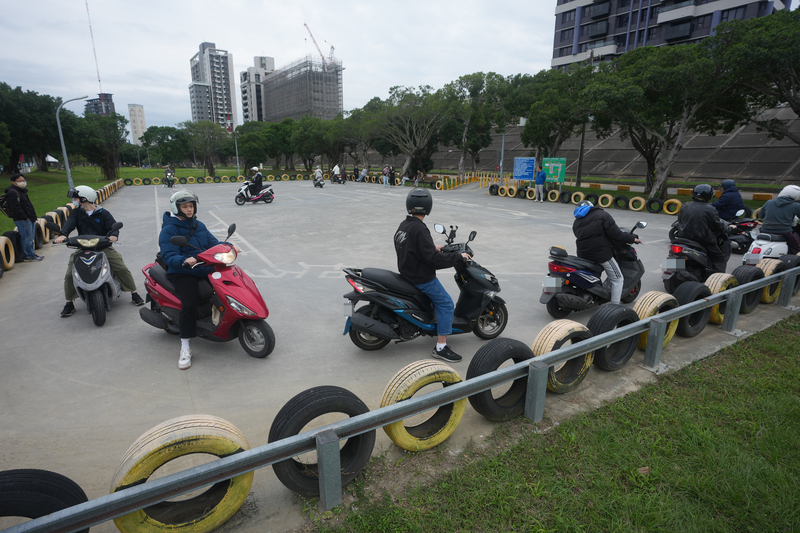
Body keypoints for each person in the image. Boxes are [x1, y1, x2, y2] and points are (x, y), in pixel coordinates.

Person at [394, 188, 471, 362]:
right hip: (421, 278)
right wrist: (458, 257)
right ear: (428, 206)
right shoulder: (420, 229)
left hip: (407, 272)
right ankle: (441, 347)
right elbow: (433, 260)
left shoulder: (405, 225)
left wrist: (435, 247)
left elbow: (414, 248)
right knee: (446, 304)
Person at [56, 186, 144, 317]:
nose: (73, 200)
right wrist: (62, 235)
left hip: (103, 246)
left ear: (84, 199)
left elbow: (113, 227)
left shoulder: (103, 213)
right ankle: (69, 303)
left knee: (120, 267)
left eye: (75, 198)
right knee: (70, 274)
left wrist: (114, 235)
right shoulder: (76, 213)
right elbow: (69, 225)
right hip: (83, 247)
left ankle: (134, 293)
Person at [158, 190, 221, 369]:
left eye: (191, 206)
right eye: (185, 206)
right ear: (176, 207)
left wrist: (229, 247)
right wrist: (184, 260)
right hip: (182, 271)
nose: (189, 209)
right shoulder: (169, 229)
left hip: (202, 268)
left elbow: (213, 242)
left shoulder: (198, 225)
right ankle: (185, 347)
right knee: (189, 303)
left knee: (227, 287)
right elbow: (169, 255)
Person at [573, 200, 641, 305]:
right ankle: (614, 306)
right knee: (618, 279)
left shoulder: (577, 221)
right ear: (592, 206)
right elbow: (616, 234)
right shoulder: (602, 215)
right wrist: (632, 239)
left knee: (593, 276)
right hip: (601, 254)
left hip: (583, 253)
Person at [675, 184, 729, 273]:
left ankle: (671, 270)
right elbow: (718, 226)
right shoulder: (710, 209)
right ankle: (716, 281)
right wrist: (729, 229)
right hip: (703, 240)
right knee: (719, 259)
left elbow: (680, 221)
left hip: (683, 238)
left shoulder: (685, 206)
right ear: (709, 196)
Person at [4, 174, 43, 262]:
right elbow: (15, 207)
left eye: (23, 180)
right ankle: (27, 255)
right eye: (19, 181)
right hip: (23, 219)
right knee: (26, 237)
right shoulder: (12, 192)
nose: (22, 182)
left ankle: (31, 253)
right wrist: (25, 217)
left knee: (30, 237)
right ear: (13, 182)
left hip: (30, 217)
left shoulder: (22, 191)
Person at [758, 185, 800, 254]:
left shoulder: (769, 202)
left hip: (764, 230)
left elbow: (760, 215)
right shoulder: (796, 205)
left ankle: (750, 260)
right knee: (797, 246)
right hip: (784, 231)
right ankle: (792, 261)